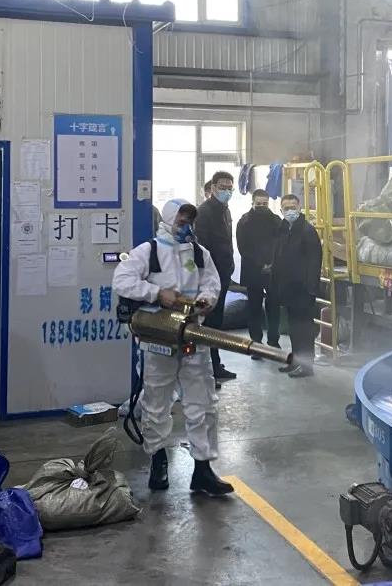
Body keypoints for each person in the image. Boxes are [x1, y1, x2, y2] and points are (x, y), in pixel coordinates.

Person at [112, 198, 233, 496]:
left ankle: (203, 469)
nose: (186, 226)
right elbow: (122, 281)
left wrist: (206, 300)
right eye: (181, 220)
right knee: (156, 403)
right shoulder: (149, 251)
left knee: (203, 403)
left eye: (189, 221)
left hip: (193, 335)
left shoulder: (199, 253)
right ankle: (158, 461)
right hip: (159, 339)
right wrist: (156, 293)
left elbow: (212, 283)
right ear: (168, 219)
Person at [270, 194, 323, 378]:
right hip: (288, 288)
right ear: (281, 210)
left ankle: (307, 366)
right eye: (286, 208)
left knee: (304, 329)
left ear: (299, 208)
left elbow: (315, 262)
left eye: (293, 207)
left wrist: (311, 289)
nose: (290, 211)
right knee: (294, 328)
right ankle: (296, 362)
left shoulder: (307, 231)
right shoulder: (284, 230)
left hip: (303, 290)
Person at [195, 171, 237, 383]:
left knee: (217, 321)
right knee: (209, 322)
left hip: (223, 273)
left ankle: (215, 364)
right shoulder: (204, 212)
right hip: (211, 277)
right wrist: (209, 277)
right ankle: (208, 369)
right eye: (222, 187)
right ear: (212, 188)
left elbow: (226, 243)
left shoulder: (225, 210)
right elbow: (202, 248)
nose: (226, 191)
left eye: (230, 188)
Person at [236, 189, 282, 356]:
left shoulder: (276, 221)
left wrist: (272, 263)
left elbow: (280, 245)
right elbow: (243, 247)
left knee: (274, 307)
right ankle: (256, 344)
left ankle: (273, 341)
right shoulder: (244, 222)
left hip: (273, 270)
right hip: (253, 270)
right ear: (252, 203)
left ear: (268, 203)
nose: (262, 206)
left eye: (264, 204)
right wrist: (260, 264)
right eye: (258, 204)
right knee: (254, 307)